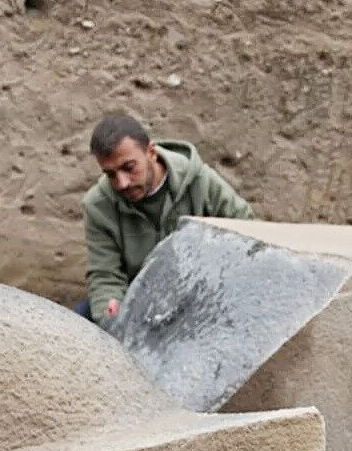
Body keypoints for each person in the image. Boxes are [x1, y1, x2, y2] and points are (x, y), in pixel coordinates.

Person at [76, 114, 253, 324]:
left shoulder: (201, 183)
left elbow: (249, 234)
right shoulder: (98, 206)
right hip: (136, 301)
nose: (122, 183)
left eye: (129, 168)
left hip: (200, 293)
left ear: (151, 152)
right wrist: (113, 316)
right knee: (77, 324)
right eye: (110, 174)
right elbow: (105, 275)